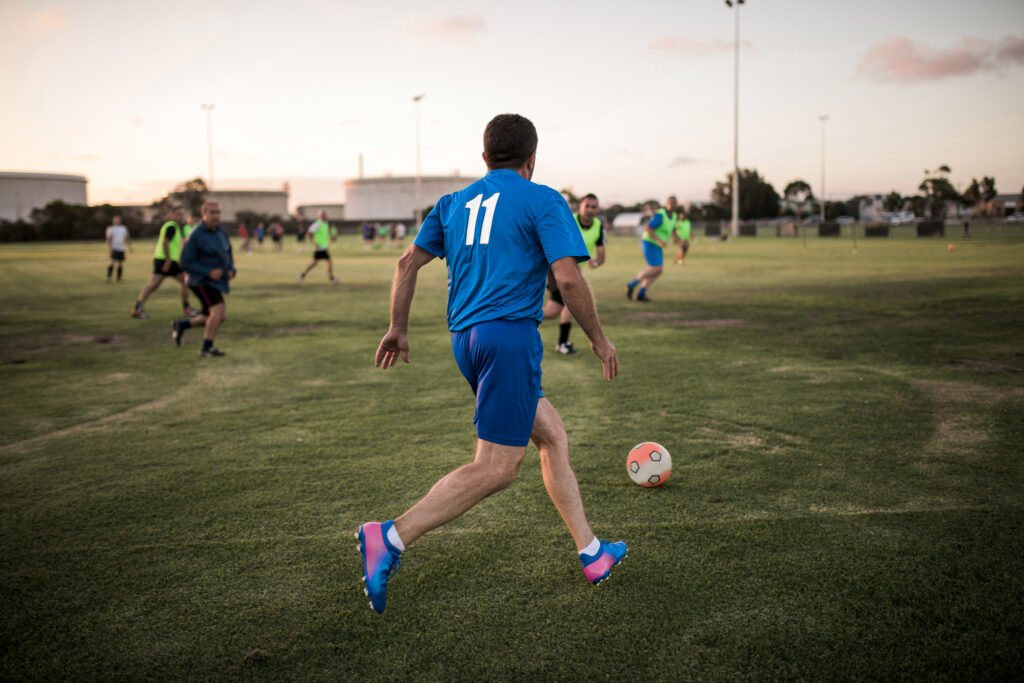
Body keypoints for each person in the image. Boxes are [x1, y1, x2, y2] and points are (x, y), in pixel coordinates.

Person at [360, 113, 624, 615]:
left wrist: (398, 326)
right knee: (498, 468)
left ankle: (592, 552)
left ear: (484, 158)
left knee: (551, 435)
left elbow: (406, 263)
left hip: (466, 340)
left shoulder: (451, 203)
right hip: (508, 338)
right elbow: (568, 279)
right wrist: (598, 338)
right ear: (532, 159)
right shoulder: (543, 198)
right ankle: (389, 537)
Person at [543, 193, 605, 355]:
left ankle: (517, 317)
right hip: (558, 269)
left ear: (597, 209)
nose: (590, 210)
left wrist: (595, 262)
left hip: (574, 270)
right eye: (587, 206)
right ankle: (563, 343)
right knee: (573, 301)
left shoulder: (598, 226)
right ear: (580, 206)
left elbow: (601, 254)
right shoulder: (568, 220)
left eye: (593, 207)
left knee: (552, 311)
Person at [173, 201, 235, 357]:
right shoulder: (196, 234)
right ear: (204, 214)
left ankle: (182, 325)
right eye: (212, 212)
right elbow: (185, 262)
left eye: (218, 212)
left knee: (218, 316)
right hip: (200, 281)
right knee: (217, 311)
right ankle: (207, 348)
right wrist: (208, 272)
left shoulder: (221, 232)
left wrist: (231, 269)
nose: (216, 216)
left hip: (216, 281)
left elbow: (228, 253)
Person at [130, 205, 196, 319]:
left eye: (182, 214)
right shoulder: (172, 226)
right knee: (186, 281)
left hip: (162, 259)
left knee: (153, 285)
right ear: (172, 214)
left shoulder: (171, 226)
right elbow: (165, 243)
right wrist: (168, 260)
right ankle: (186, 308)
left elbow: (172, 243)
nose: (180, 216)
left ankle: (137, 308)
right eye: (178, 214)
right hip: (167, 260)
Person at [626, 195, 683, 302]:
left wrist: (679, 241)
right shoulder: (660, 215)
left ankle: (641, 293)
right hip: (649, 243)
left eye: (675, 202)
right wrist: (658, 240)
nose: (673, 205)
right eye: (671, 203)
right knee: (657, 269)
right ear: (667, 204)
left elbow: (673, 231)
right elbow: (648, 228)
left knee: (656, 271)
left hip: (657, 246)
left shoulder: (674, 216)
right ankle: (632, 284)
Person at [298, 210, 339, 285]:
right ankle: (302, 275)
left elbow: (325, 234)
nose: (325, 215)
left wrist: (331, 238)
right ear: (320, 216)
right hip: (320, 247)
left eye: (325, 214)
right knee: (317, 262)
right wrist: (314, 243)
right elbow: (308, 233)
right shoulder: (317, 224)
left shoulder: (326, 224)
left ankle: (332, 279)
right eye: (323, 214)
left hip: (324, 247)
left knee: (323, 262)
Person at [105, 215, 132, 283]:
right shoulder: (110, 228)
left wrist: (129, 247)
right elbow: (108, 239)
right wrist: (110, 248)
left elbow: (126, 238)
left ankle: (119, 278)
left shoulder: (123, 228)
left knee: (120, 263)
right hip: (114, 248)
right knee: (112, 262)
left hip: (121, 248)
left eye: (118, 219)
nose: (117, 220)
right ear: (113, 220)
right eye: (115, 219)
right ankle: (109, 277)